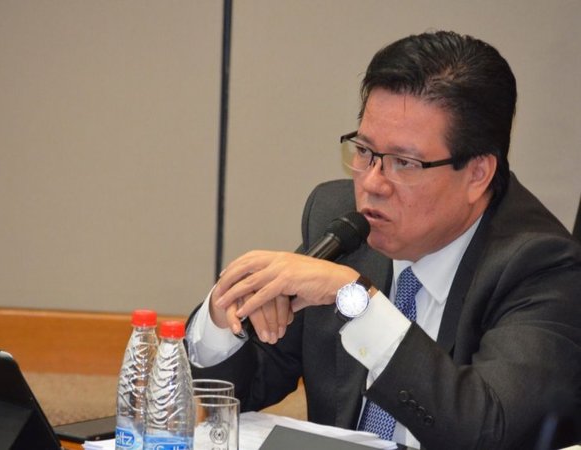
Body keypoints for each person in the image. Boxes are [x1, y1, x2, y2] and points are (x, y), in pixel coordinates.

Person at [185, 31, 581, 449]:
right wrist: (224, 315)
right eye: (365, 151)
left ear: (477, 174)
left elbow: (488, 433)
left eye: (404, 163)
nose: (372, 184)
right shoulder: (342, 222)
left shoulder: (542, 266)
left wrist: (357, 302)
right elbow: (241, 389)